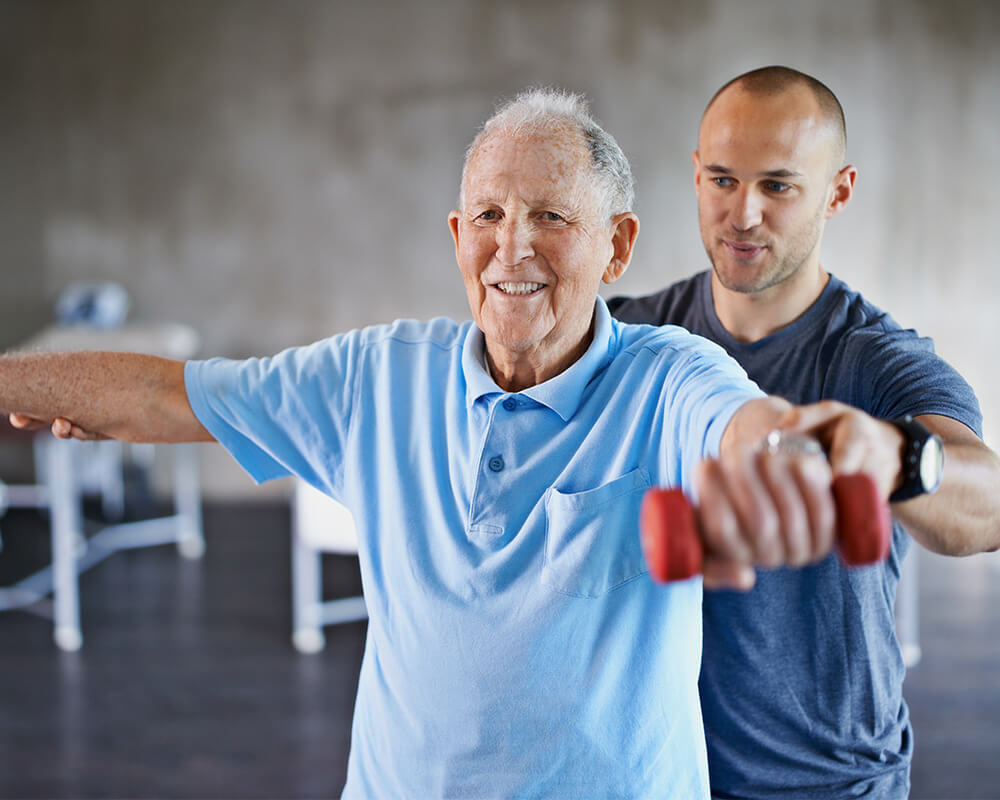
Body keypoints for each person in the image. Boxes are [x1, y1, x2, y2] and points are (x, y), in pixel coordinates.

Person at [4, 87, 902, 799]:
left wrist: (790, 455)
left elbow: (742, 425)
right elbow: (169, 394)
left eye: (551, 216)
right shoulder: (376, 375)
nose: (513, 246)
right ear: (456, 238)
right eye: (487, 217)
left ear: (617, 246)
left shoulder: (670, 374)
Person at [609, 66, 1000, 799]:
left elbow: (988, 507)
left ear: (838, 191)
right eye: (722, 179)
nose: (743, 213)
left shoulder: (876, 358)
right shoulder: (633, 336)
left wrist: (897, 458)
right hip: (656, 772)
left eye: (778, 186)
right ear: (695, 175)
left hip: (828, 780)